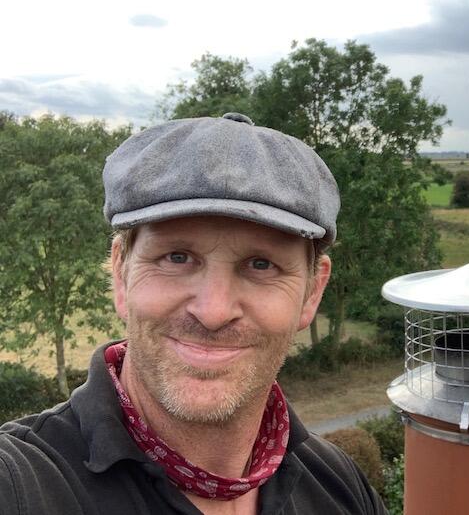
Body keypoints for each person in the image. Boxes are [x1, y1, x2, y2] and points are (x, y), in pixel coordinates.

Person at [0, 113, 388, 515]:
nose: (213, 311)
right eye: (177, 257)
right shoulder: (20, 485)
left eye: (261, 265)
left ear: (312, 292)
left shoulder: (340, 488)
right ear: (121, 273)